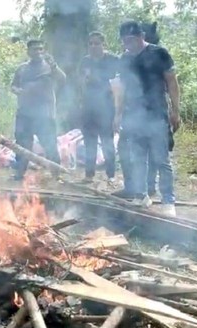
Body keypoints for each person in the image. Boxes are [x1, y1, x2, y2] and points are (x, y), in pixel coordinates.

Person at [114, 20, 181, 216]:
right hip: (133, 116)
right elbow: (122, 89)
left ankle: (168, 201)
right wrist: (118, 114)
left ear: (142, 36)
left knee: (161, 159)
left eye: (132, 39)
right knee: (138, 159)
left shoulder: (159, 53)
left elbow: (172, 82)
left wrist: (175, 111)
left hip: (156, 114)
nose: (129, 44)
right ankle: (141, 196)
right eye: (125, 40)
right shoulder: (124, 59)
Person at [11, 39, 66, 181]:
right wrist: (18, 91)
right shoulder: (21, 68)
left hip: (44, 114)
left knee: (50, 144)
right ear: (28, 52)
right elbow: (13, 86)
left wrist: (54, 67)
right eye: (35, 49)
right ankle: (19, 173)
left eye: (41, 49)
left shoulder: (50, 67)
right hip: (24, 113)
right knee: (22, 144)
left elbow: (62, 79)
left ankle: (56, 174)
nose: (38, 52)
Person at [78, 31, 119, 186]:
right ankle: (89, 174)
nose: (94, 46)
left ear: (104, 44)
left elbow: (118, 85)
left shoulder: (113, 60)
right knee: (89, 142)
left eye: (97, 43)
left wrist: (117, 111)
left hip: (107, 108)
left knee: (107, 142)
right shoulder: (85, 61)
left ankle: (111, 175)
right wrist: (81, 103)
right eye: (91, 43)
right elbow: (81, 82)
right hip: (89, 108)